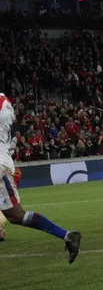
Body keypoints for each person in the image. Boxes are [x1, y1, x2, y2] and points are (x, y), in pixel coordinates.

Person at [0, 93, 81, 262]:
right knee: (15, 216)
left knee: (17, 215)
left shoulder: (2, 104)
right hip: (4, 162)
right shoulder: (5, 102)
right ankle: (68, 236)